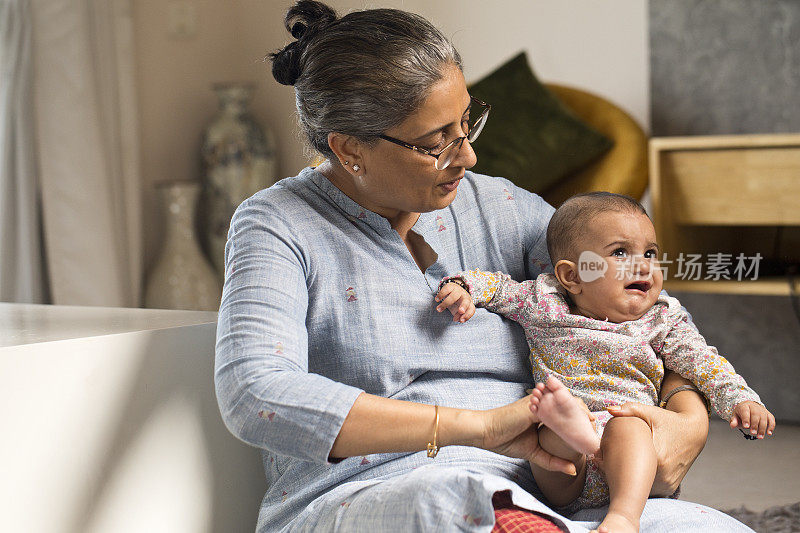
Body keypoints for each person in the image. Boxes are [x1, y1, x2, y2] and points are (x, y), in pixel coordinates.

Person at [214, 1, 754, 531]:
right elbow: (256, 393)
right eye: (436, 143)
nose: (468, 156)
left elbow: (637, 305)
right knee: (454, 503)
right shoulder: (277, 224)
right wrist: (478, 428)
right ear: (349, 147)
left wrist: (689, 415)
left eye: (467, 124)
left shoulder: (504, 207)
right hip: (374, 487)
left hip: (555, 484)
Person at [435, 192, 775, 532]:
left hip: (631, 456)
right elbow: (498, 287)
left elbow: (703, 363)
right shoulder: (544, 303)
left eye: (650, 253)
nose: (643, 265)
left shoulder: (661, 321)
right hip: (566, 466)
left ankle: (623, 517)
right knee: (549, 426)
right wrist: (463, 287)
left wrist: (740, 399)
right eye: (620, 252)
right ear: (573, 277)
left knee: (629, 426)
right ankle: (574, 432)